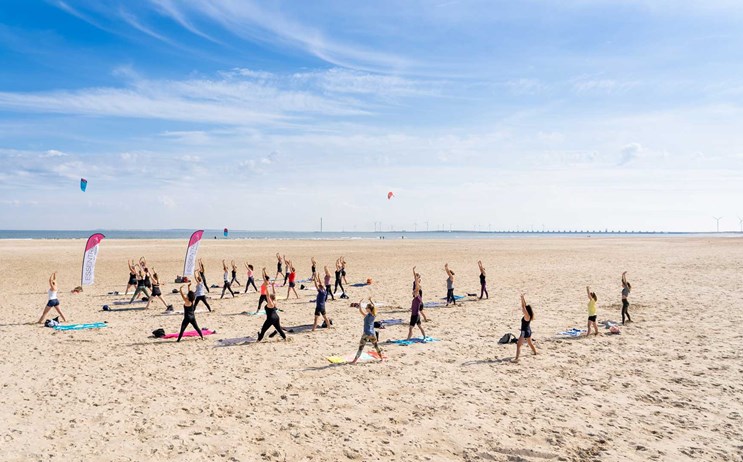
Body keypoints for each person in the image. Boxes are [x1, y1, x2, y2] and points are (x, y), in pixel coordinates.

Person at [350, 297, 384, 364]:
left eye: (366, 308)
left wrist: (368, 301)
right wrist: (369, 301)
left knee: (361, 347)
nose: (365, 309)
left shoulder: (369, 315)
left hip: (366, 333)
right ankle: (381, 358)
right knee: (376, 346)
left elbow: (368, 309)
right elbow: (370, 308)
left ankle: (354, 360)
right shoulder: (373, 315)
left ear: (369, 309)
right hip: (372, 334)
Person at [514, 294, 537, 362]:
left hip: (524, 332)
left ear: (527, 311)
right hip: (528, 330)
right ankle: (535, 352)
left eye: (524, 310)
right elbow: (524, 306)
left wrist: (522, 298)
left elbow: (523, 306)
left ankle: (516, 359)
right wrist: (522, 298)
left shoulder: (527, 316)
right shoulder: (529, 316)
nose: (523, 310)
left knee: (518, 345)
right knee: (530, 343)